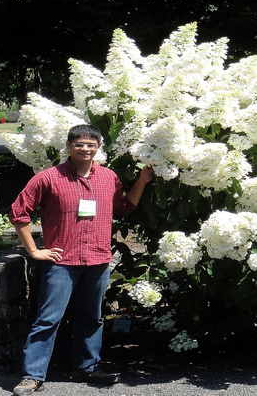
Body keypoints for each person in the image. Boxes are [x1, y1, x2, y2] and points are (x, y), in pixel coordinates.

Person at [10, 124, 154, 395]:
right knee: (48, 319)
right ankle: (32, 375)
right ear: (68, 146)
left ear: (98, 147)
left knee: (92, 316)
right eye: (79, 144)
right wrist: (34, 250)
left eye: (90, 144)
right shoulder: (48, 178)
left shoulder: (109, 177)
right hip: (62, 262)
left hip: (98, 260)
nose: (85, 149)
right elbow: (19, 212)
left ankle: (87, 368)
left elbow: (123, 208)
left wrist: (142, 181)